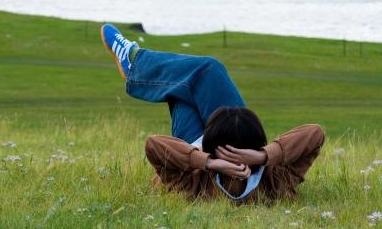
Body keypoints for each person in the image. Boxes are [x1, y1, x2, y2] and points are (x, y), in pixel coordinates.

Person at [100, 24, 325, 203]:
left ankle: (135, 63)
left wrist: (207, 162)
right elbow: (315, 133)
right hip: (230, 135)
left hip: (193, 148)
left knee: (197, 77)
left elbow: (154, 145)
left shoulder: (193, 186)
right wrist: (262, 156)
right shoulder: (274, 182)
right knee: (199, 76)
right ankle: (134, 63)